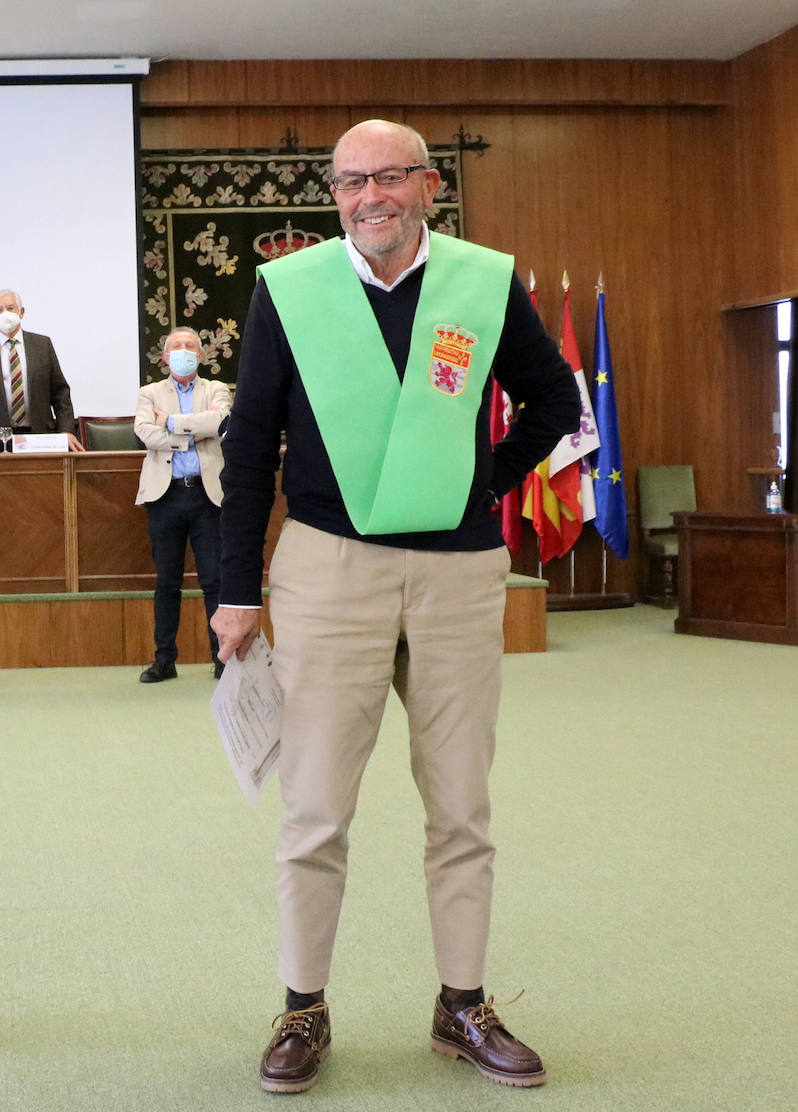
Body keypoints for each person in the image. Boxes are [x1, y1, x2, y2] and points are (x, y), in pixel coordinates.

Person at [211, 119, 582, 1094]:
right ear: (333, 194)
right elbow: (250, 444)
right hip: (329, 568)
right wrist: (234, 587)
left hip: (459, 576)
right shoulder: (289, 291)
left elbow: (551, 399)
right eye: (349, 181)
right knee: (316, 807)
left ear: (427, 186)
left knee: (462, 803)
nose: (369, 195)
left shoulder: (480, 281)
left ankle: (462, 1002)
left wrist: (480, 479)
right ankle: (303, 1006)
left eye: (388, 177)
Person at [133, 326, 231, 683]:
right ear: (165, 358)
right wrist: (191, 437)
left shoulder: (216, 389)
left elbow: (219, 421)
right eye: (177, 346)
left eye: (191, 346)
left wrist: (172, 422)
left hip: (208, 496)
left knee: (215, 581)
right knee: (167, 582)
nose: (185, 351)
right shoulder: (150, 392)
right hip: (166, 495)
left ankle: (222, 659)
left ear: (202, 356)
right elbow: (145, 432)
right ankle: (164, 660)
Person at [0, 288, 83, 452]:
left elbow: (60, 394)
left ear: (21, 312)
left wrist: (67, 431)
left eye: (10, 308)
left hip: (41, 438)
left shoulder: (42, 345)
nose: (5, 314)